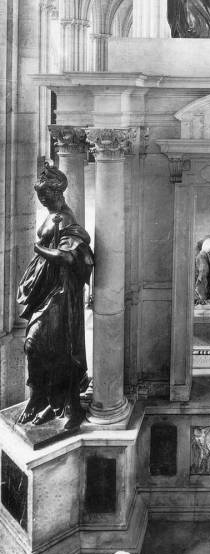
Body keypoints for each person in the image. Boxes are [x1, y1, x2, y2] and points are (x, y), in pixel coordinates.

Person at [17, 163, 93, 430]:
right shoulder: (53, 216)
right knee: (34, 346)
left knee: (52, 347)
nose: (42, 199)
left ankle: (59, 403)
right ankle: (40, 398)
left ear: (57, 193)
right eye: (40, 196)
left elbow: (69, 256)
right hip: (44, 287)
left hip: (60, 293)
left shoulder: (66, 219)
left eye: (45, 195)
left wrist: (39, 248)